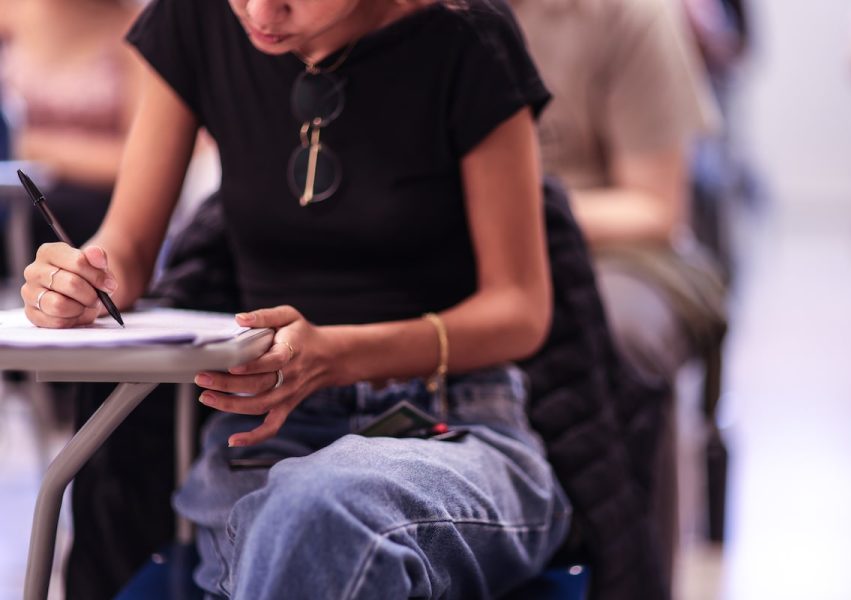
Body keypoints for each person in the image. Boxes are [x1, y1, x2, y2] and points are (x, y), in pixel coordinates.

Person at [21, 0, 573, 597]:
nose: (260, 11)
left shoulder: (467, 36)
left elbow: (520, 312)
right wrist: (81, 280)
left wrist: (340, 355)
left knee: (316, 512)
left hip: (452, 422)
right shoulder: (197, 17)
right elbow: (127, 249)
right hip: (261, 436)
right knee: (302, 518)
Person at [510, 0, 726, 588]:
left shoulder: (632, 15)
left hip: (612, 247)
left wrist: (502, 208)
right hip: (456, 243)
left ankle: (635, 575)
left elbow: (655, 207)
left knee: (621, 337)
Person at [0, 0, 141, 251]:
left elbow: (140, 162)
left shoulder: (135, 30)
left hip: (91, 207)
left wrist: (30, 146)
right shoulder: (8, 14)